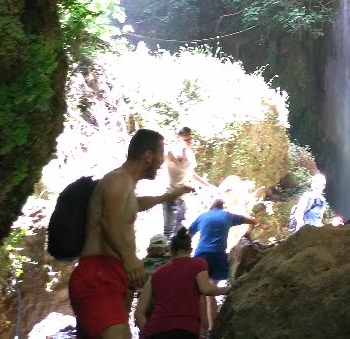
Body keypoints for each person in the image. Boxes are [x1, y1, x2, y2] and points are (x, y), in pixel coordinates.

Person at [69, 128, 193, 339]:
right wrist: (130, 259)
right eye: (161, 154)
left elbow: (134, 205)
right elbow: (109, 221)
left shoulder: (126, 184)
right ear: (148, 155)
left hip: (110, 275)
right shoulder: (118, 179)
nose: (163, 161)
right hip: (99, 275)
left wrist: (169, 195)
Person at [135, 226, 230, 339]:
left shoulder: (156, 274)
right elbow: (206, 290)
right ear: (190, 250)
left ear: (171, 250)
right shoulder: (198, 264)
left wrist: (146, 333)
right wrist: (228, 289)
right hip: (185, 329)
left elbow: (139, 313)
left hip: (155, 330)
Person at [189, 199, 257, 332]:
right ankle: (212, 329)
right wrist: (248, 233)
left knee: (200, 293)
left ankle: (200, 330)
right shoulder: (228, 215)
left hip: (201, 255)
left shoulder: (203, 216)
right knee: (211, 290)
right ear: (221, 207)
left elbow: (187, 234)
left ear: (211, 207)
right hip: (218, 256)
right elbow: (252, 221)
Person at [163, 127, 211, 238]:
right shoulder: (173, 151)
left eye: (190, 138)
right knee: (168, 231)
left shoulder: (189, 154)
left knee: (179, 232)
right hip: (170, 194)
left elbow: (191, 174)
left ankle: (176, 254)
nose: (189, 141)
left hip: (182, 196)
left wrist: (208, 186)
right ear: (179, 138)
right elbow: (167, 160)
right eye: (186, 139)